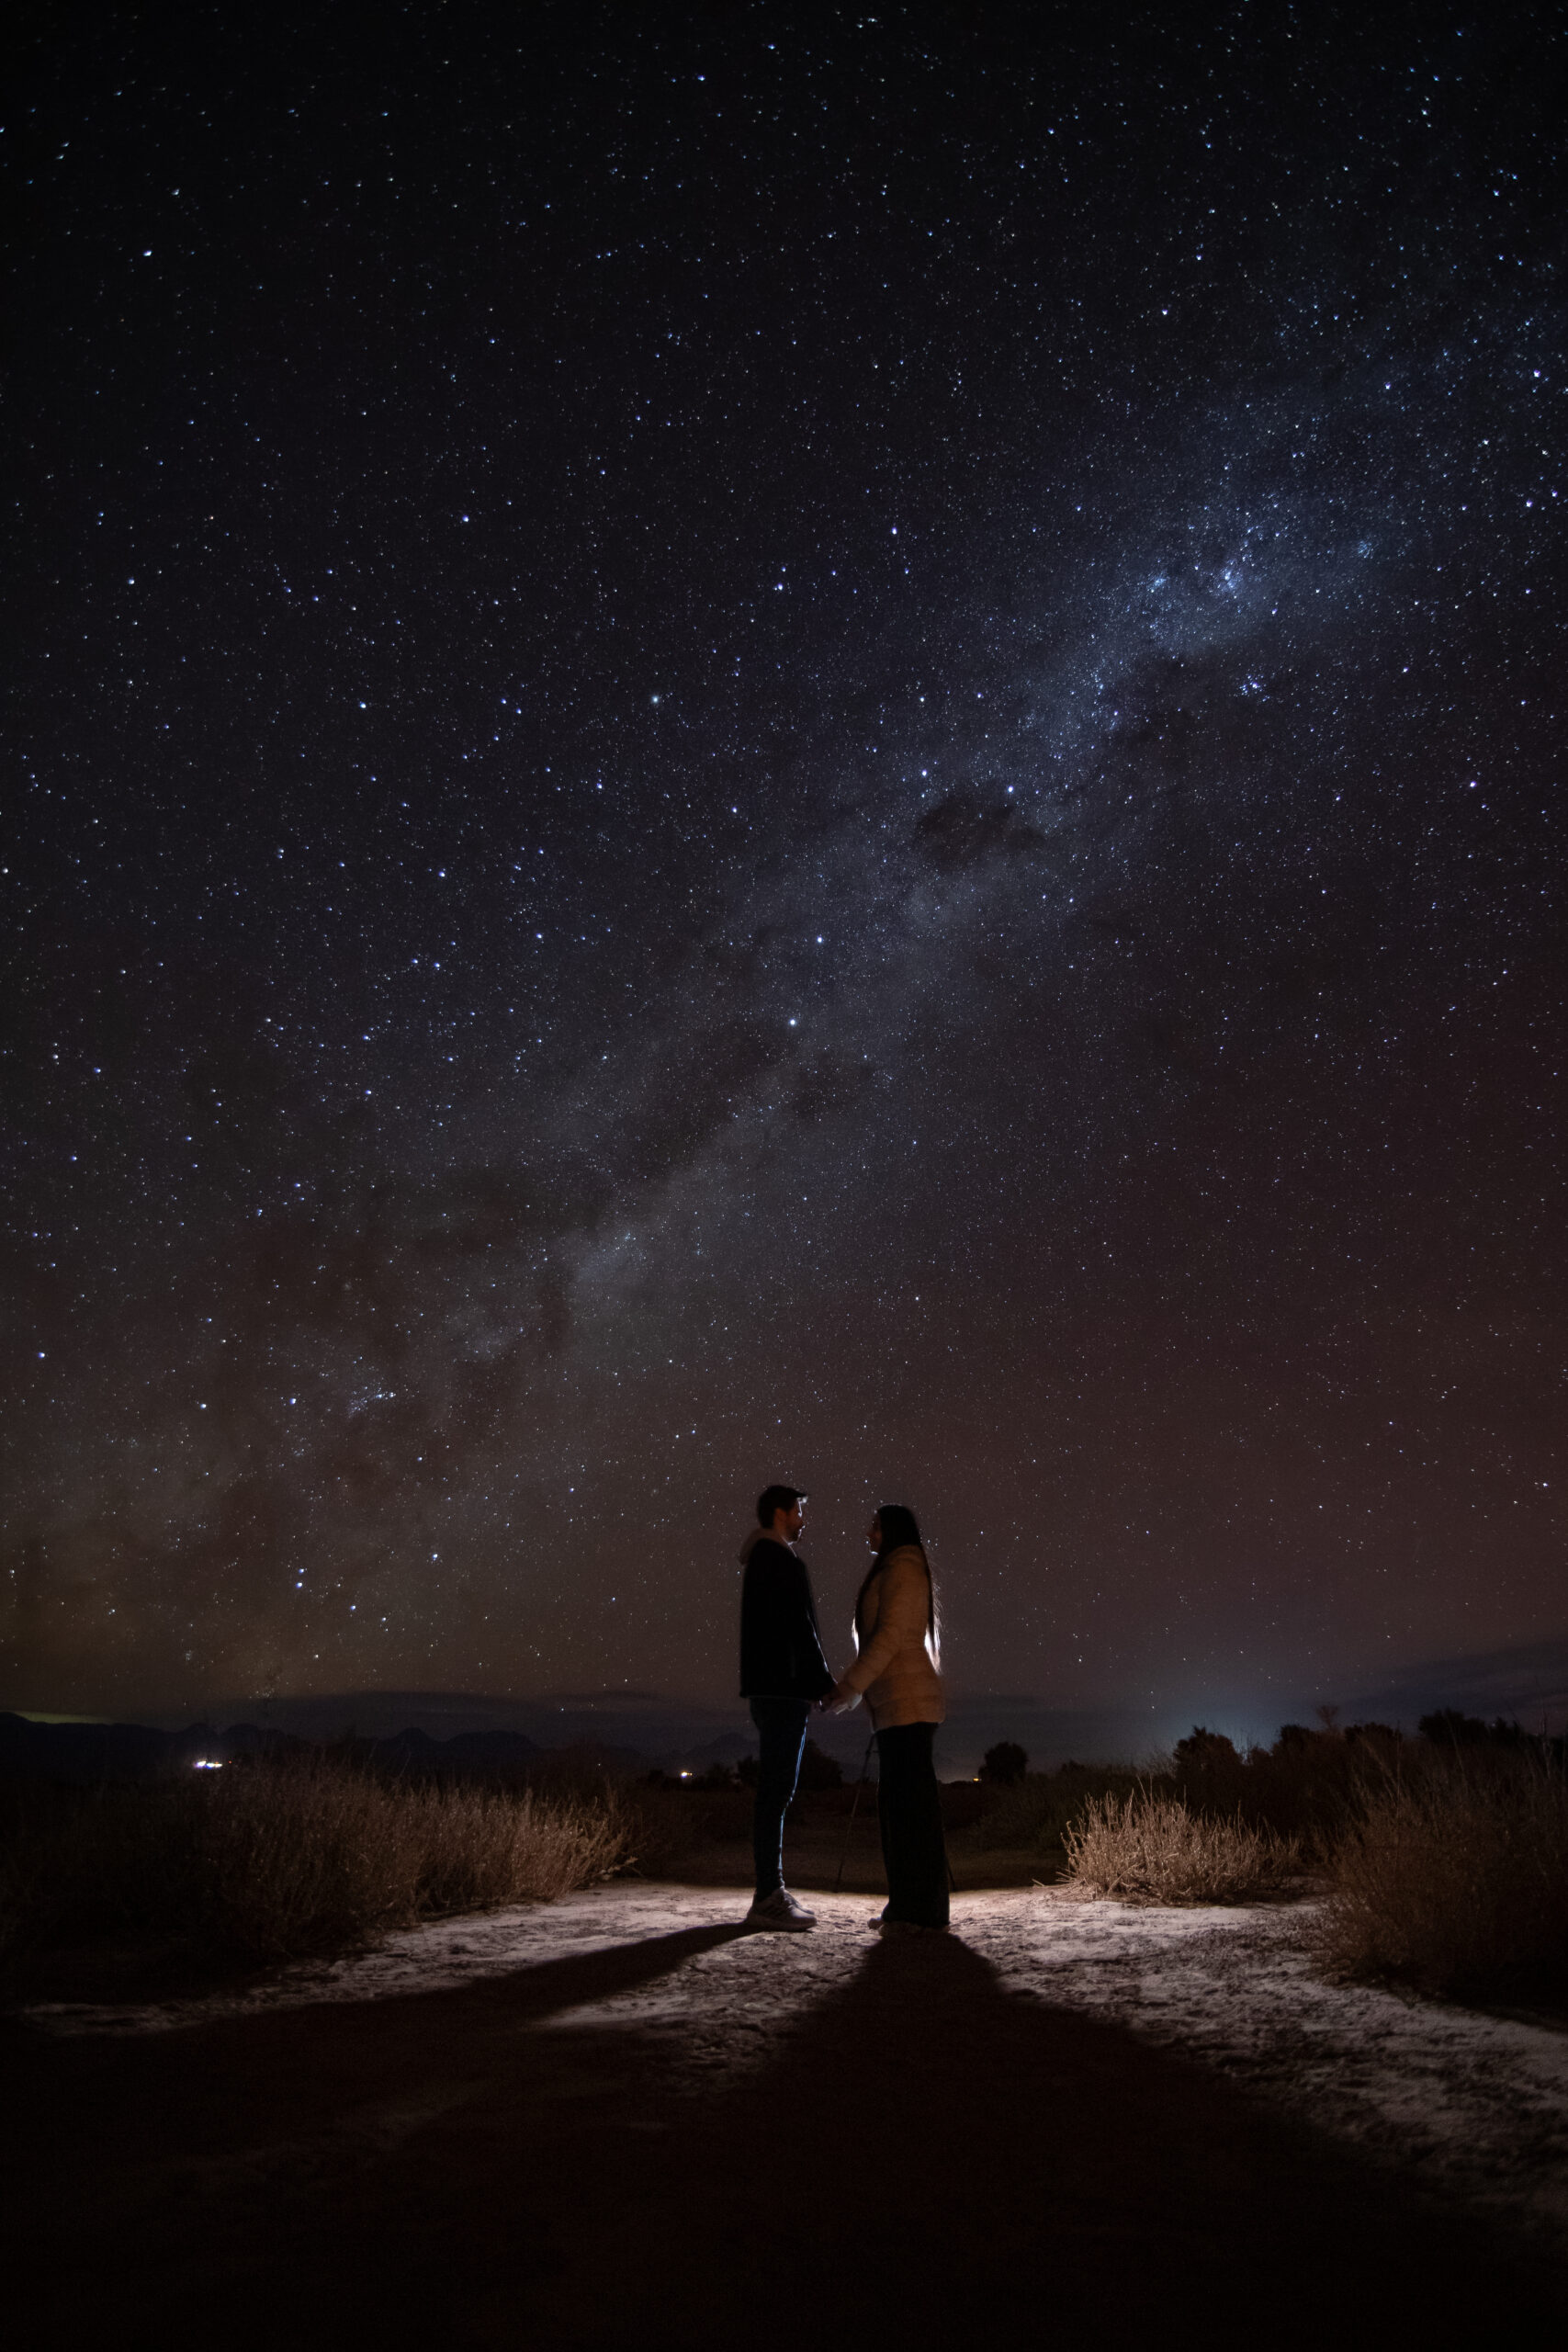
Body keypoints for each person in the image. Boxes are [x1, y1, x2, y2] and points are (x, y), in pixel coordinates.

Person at [826, 1504, 949, 1930]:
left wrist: (851, 1686)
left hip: (908, 1704)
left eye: (876, 1525)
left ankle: (920, 1910)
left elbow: (891, 1635)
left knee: (909, 1811)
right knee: (902, 1809)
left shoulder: (904, 1566)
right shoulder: (896, 1566)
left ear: (892, 1530)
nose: (869, 1532)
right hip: (897, 1705)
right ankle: (913, 1906)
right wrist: (856, 1692)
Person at [738, 1482, 835, 1929]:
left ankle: (770, 1891)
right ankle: (768, 1896)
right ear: (780, 1513)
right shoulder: (778, 1559)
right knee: (776, 1792)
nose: (803, 1518)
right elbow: (800, 1626)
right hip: (783, 1689)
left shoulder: (764, 1558)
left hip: (770, 1688)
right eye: (798, 1510)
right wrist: (822, 1682)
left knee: (775, 1791)